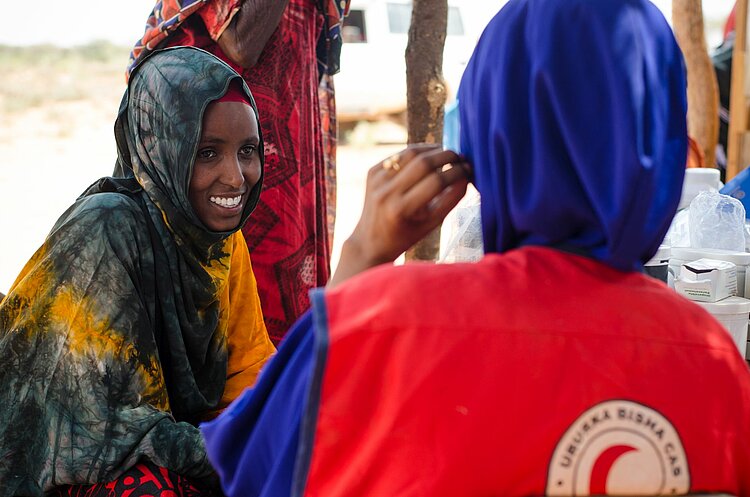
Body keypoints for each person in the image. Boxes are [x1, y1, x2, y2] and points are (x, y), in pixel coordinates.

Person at [201, 0, 750, 495]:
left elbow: (250, 466)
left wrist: (361, 257)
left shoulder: (378, 325)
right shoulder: (714, 363)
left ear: (486, 136)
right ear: (665, 144)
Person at [0, 47, 276, 496]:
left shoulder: (221, 242)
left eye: (247, 151)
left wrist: (280, 432)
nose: (236, 177)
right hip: (61, 461)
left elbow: (248, 373)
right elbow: (104, 427)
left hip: (165, 443)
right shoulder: (107, 230)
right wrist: (236, 450)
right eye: (207, 153)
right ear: (157, 149)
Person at [128, 0, 350, 344]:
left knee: (279, 307)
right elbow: (242, 43)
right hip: (228, 122)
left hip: (282, 135)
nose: (234, 175)